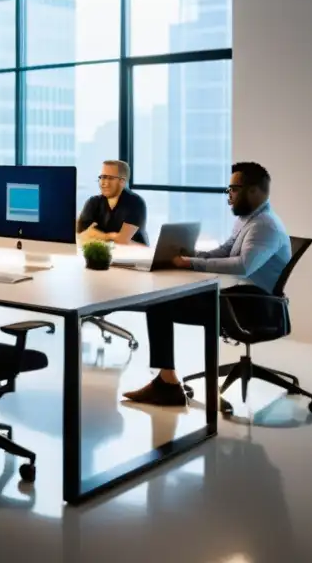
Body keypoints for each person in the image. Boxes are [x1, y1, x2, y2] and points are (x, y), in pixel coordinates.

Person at [123, 162, 291, 406]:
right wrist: (195, 256)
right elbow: (226, 250)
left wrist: (190, 264)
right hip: (238, 297)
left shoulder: (264, 225)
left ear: (254, 190)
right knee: (161, 301)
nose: (229, 194)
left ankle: (167, 385)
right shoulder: (249, 219)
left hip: (250, 308)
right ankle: (166, 380)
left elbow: (242, 265)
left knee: (159, 304)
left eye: (233, 188)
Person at [77, 160, 148, 246]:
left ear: (122, 182)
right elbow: (81, 234)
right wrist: (109, 236)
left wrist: (97, 235)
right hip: (102, 253)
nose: (103, 183)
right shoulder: (93, 202)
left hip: (134, 255)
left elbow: (122, 241)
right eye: (102, 177)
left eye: (109, 178)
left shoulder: (135, 203)